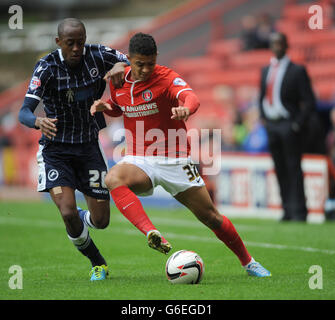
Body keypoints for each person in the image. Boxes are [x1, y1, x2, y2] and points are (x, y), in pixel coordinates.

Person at [90, 32, 271, 277]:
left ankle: (249, 262)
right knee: (113, 178)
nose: (145, 69)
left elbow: (190, 96)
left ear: (156, 59)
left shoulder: (165, 77)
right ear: (129, 60)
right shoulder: (118, 80)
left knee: (211, 217)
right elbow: (120, 106)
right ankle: (151, 233)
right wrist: (107, 107)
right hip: (140, 157)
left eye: (150, 63)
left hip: (175, 158)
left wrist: (187, 108)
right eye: (139, 64)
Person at [18, 18, 129, 281]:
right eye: (71, 43)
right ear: (59, 43)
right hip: (56, 151)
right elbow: (24, 111)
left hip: (89, 148)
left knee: (101, 221)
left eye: (80, 41)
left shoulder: (99, 54)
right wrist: (37, 121)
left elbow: (130, 60)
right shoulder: (46, 67)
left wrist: (120, 66)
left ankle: (80, 218)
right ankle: (97, 262)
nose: (77, 48)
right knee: (67, 211)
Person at [259, 32, 316, 222]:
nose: (277, 46)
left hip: (288, 125)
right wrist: (264, 118)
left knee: (294, 168)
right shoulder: (266, 70)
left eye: (280, 43)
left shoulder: (297, 70)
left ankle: (300, 211)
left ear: (286, 45)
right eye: (274, 43)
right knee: (280, 168)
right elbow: (262, 97)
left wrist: (297, 124)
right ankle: (287, 210)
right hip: (272, 126)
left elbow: (309, 101)